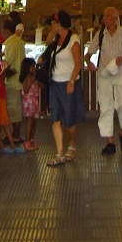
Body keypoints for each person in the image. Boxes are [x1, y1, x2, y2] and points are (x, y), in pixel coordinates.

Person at [86, 6, 122, 155]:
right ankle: (110, 142)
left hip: (120, 73)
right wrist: (89, 63)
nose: (104, 19)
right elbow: (88, 54)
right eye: (104, 16)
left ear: (114, 18)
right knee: (105, 107)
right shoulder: (100, 34)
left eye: (106, 16)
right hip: (104, 75)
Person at [42, 10, 83, 167]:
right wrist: (52, 33)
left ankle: (71, 144)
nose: (52, 24)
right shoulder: (55, 38)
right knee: (55, 118)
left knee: (69, 119)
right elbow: (47, 45)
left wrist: (72, 81)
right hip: (55, 83)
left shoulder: (73, 39)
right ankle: (59, 153)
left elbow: (78, 63)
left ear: (61, 23)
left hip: (68, 82)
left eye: (54, 22)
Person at [1, 19, 25, 142]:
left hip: (12, 81)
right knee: (17, 108)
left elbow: (7, 63)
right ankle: (15, 135)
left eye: (2, 29)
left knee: (13, 109)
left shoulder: (10, 44)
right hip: (19, 80)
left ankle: (15, 136)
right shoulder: (20, 42)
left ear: (7, 30)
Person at [19, 57, 40, 151]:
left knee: (34, 121)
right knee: (29, 121)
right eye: (32, 66)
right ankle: (26, 142)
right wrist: (31, 81)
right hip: (28, 101)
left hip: (35, 100)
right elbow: (25, 90)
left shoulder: (34, 77)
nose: (34, 68)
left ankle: (31, 139)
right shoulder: (26, 78)